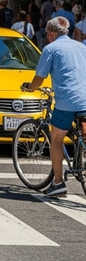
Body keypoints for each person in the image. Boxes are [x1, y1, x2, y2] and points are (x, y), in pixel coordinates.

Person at [21, 16, 86, 197]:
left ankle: (58, 183)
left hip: (67, 102)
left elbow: (40, 77)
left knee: (56, 139)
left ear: (49, 33)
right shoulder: (82, 47)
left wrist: (30, 87)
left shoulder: (51, 49)